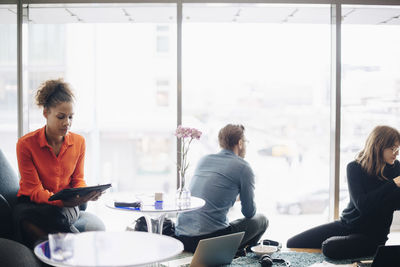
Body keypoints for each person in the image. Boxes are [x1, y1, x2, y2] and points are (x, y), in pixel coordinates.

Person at [287, 125, 400, 260]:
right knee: (293, 242)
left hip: (373, 236)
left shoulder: (397, 168)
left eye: (398, 148)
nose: (396, 153)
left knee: (330, 247)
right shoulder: (354, 167)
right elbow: (363, 206)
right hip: (347, 225)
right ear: (378, 146)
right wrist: (392, 184)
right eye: (392, 148)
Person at [14, 78, 102, 247]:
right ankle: (76, 248)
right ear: (46, 113)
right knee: (23, 215)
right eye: (61, 117)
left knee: (54, 216)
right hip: (35, 203)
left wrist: (86, 193)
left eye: (70, 117)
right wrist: (60, 201)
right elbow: (34, 190)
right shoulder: (25, 145)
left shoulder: (79, 142)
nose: (67, 123)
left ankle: (56, 248)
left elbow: (78, 180)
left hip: (66, 205)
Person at [175, 124, 268, 253]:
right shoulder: (243, 167)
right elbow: (249, 212)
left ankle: (233, 251)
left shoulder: (204, 160)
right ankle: (238, 253)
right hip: (209, 241)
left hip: (182, 238)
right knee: (262, 220)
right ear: (240, 143)